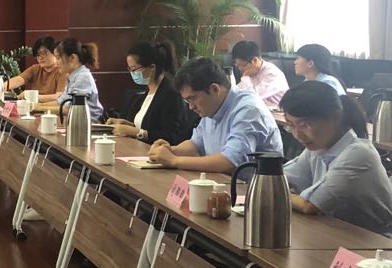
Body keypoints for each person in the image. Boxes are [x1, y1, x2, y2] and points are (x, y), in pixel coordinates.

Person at [280, 82, 392, 237]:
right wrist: (276, 189)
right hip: (331, 233)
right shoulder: (317, 148)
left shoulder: (359, 154)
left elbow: (309, 206)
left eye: (305, 125)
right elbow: (281, 180)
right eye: (291, 126)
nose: (298, 135)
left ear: (335, 118)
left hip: (372, 244)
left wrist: (273, 193)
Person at [148, 58, 284, 174]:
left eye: (192, 99)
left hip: (250, 191)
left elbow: (230, 162)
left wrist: (174, 160)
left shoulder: (248, 110)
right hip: (222, 184)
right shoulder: (212, 106)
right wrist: (169, 151)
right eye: (187, 101)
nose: (191, 107)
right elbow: (195, 144)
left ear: (214, 89)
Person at [107, 41, 195, 145]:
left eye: (134, 69)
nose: (132, 73)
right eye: (129, 69)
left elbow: (170, 136)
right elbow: (148, 126)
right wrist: (126, 125)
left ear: (152, 67)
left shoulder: (171, 92)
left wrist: (136, 132)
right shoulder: (148, 90)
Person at [230, 40, 289, 110]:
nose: (240, 69)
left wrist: (245, 76)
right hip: (260, 109)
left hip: (279, 112)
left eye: (243, 65)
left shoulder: (272, 74)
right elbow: (237, 92)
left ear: (255, 60)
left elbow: (251, 97)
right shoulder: (253, 72)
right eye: (237, 66)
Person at [56, 38, 103, 123]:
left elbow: (71, 108)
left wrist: (38, 108)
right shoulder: (74, 76)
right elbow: (60, 102)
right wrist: (37, 106)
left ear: (72, 58)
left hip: (90, 125)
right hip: (78, 121)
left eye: (58, 58)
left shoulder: (83, 77)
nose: (56, 63)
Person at [6, 36, 64, 102]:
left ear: (55, 53)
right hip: (34, 107)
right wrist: (2, 87)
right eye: (38, 55)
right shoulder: (35, 69)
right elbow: (18, 80)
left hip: (51, 108)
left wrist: (31, 96)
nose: (40, 58)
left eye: (43, 54)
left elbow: (59, 97)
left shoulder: (63, 71)